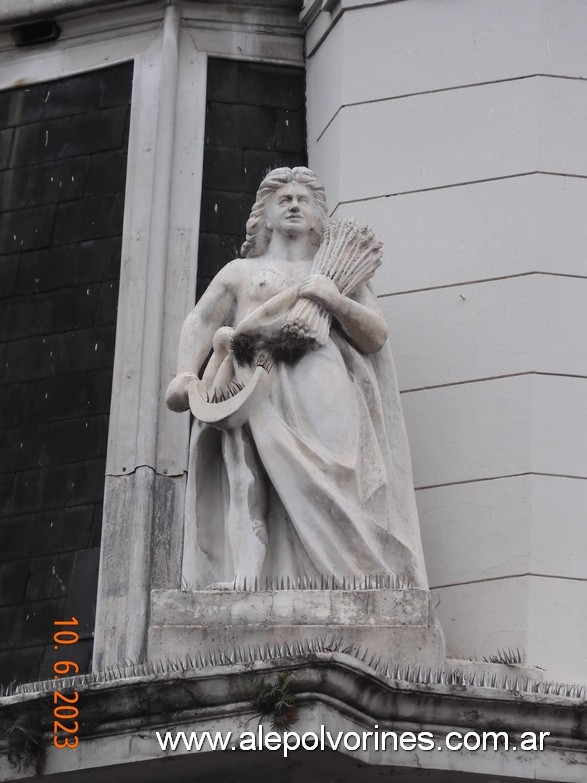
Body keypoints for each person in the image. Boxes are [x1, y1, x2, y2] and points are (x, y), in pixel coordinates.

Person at [166, 167, 428, 589]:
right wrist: (184, 372)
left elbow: (375, 334)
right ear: (264, 216)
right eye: (283, 199)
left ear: (316, 216)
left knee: (336, 474)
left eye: (303, 200)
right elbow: (201, 320)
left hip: (321, 381)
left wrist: (333, 299)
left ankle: (351, 576)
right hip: (254, 384)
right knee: (248, 479)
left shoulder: (335, 272)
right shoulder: (240, 271)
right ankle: (249, 578)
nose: (293, 205)